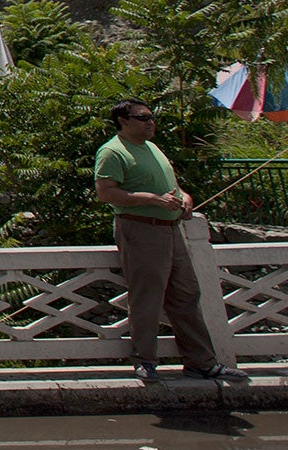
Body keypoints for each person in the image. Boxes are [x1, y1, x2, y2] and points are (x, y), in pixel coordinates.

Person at [95, 98, 248, 385]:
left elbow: (172, 187)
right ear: (123, 120)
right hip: (141, 230)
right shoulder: (112, 152)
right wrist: (152, 200)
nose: (150, 122)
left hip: (171, 229)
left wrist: (185, 198)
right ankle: (146, 361)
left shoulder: (152, 148)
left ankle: (201, 362)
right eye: (143, 117)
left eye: (151, 117)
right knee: (147, 298)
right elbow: (106, 193)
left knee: (186, 295)